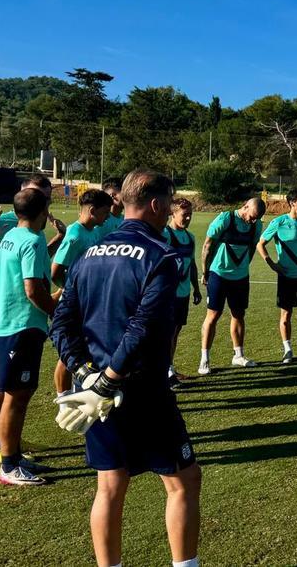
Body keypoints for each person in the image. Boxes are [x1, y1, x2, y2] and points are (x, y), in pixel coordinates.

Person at [50, 169, 202, 567]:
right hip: (142, 390)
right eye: (168, 202)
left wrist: (86, 374)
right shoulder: (161, 255)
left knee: (110, 486)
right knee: (183, 482)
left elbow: (61, 322)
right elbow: (143, 328)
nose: (170, 209)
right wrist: (107, 380)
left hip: (98, 394)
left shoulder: (89, 254)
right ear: (156, 205)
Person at [0, 173, 63, 466]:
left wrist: (58, 239)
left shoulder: (31, 231)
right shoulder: (5, 224)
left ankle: (9, 442)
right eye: (36, 196)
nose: (42, 203)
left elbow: (31, 264)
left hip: (23, 310)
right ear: (22, 194)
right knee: (2, 384)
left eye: (45, 198)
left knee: (12, 387)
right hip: (10, 311)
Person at [0, 188, 58, 485]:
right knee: (16, 397)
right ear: (43, 211)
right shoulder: (31, 241)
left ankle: (15, 458)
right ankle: (8, 467)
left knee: (18, 394)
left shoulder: (10, 237)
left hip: (9, 324)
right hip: (21, 327)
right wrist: (55, 306)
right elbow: (32, 289)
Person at [50, 189, 114, 398]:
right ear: (92, 210)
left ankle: (80, 390)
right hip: (75, 300)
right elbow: (56, 270)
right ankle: (63, 397)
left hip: (89, 300)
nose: (107, 218)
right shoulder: (75, 235)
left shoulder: (94, 230)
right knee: (70, 351)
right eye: (105, 212)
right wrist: (68, 288)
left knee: (85, 346)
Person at [198, 196, 265, 374]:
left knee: (239, 314)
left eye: (257, 218)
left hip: (240, 278)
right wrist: (205, 272)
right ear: (245, 206)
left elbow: (251, 249)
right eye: (252, 216)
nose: (253, 220)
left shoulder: (257, 225)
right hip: (218, 274)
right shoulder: (225, 219)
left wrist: (242, 269)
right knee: (213, 315)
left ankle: (238, 356)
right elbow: (207, 245)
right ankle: (204, 358)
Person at [257, 189, 297, 363]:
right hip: (286, 276)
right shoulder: (279, 222)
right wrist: (272, 264)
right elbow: (261, 244)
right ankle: (288, 350)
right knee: (286, 315)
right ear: (292, 203)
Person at [163, 198, 202, 389]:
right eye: (184, 214)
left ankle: (169, 367)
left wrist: (196, 288)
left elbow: (192, 264)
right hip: (168, 294)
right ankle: (165, 372)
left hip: (184, 293)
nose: (187, 218)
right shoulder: (166, 235)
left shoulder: (190, 237)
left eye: (190, 215)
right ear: (173, 213)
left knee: (175, 332)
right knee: (167, 333)